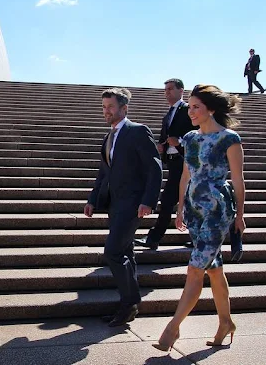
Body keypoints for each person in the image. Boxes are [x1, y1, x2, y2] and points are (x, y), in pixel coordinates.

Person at [153, 84, 246, 352]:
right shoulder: (190, 138)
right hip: (195, 208)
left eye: (196, 107)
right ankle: (226, 323)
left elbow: (238, 180)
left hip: (218, 209)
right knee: (214, 269)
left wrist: (240, 216)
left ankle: (172, 328)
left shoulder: (229, 139)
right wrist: (180, 208)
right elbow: (185, 176)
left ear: (211, 109)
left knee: (196, 268)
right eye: (190, 106)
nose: (191, 111)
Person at [84, 88, 163, 327]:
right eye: (103, 107)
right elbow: (103, 173)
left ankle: (130, 302)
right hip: (115, 204)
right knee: (125, 252)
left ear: (124, 108)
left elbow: (154, 168)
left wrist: (149, 201)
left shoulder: (137, 131)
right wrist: (92, 199)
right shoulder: (108, 137)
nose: (106, 111)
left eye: (110, 107)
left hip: (132, 205)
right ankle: (129, 305)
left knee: (113, 252)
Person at [135, 79, 195, 250]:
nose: (167, 92)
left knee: (169, 200)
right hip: (174, 162)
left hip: (186, 162)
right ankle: (198, 237)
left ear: (181, 90)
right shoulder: (169, 113)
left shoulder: (188, 110)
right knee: (185, 200)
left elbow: (196, 132)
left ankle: (154, 237)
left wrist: (180, 142)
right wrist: (162, 145)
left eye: (170, 89)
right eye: (165, 89)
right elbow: (167, 136)